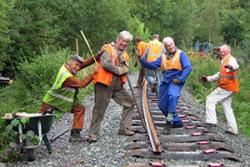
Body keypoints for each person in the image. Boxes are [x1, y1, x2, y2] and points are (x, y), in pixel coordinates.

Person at [40, 54, 99, 142]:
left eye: (79, 66)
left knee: (80, 109)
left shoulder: (67, 67)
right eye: (76, 65)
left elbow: (84, 64)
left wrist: (98, 55)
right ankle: (28, 138)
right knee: (39, 121)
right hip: (51, 101)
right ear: (70, 62)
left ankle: (75, 135)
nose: (77, 68)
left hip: (60, 101)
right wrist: (93, 72)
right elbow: (82, 84)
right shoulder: (67, 76)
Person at [88, 31, 135, 142]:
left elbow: (126, 68)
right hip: (104, 84)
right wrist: (119, 70)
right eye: (123, 41)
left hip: (117, 86)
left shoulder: (125, 54)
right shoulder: (108, 49)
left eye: (127, 42)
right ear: (118, 39)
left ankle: (124, 129)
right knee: (99, 109)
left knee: (130, 103)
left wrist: (124, 65)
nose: (124, 44)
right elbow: (106, 64)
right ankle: (93, 134)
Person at [140, 37, 192, 128]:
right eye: (168, 46)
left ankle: (169, 121)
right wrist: (142, 60)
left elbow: (188, 67)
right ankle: (176, 122)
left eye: (171, 44)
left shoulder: (181, 54)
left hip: (176, 80)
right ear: (165, 47)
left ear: (174, 43)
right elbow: (152, 65)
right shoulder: (163, 56)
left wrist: (181, 79)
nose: (170, 47)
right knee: (161, 104)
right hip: (165, 81)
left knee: (173, 95)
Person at [200, 44, 239, 135]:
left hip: (226, 87)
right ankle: (233, 129)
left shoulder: (231, 60)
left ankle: (211, 122)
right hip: (229, 87)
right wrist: (208, 78)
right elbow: (220, 74)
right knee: (227, 107)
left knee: (210, 99)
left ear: (228, 52)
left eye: (224, 51)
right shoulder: (223, 60)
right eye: (221, 51)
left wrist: (231, 67)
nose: (222, 53)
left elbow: (236, 65)